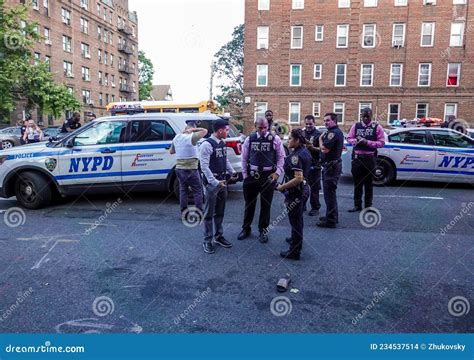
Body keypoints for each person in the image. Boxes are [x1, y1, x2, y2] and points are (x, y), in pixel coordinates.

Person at [238, 117, 285, 243]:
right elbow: (244, 158)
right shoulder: (250, 139)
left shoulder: (275, 139)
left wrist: (277, 173)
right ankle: (246, 228)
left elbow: (281, 157)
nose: (263, 130)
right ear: (255, 126)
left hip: (268, 175)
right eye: (260, 127)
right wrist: (245, 175)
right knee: (249, 204)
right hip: (252, 175)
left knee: (266, 205)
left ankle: (263, 230)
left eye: (265, 127)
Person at [199, 119, 238, 254]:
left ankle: (219, 236)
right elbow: (203, 166)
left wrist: (232, 171)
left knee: (220, 211)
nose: (228, 132)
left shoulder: (221, 143)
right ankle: (207, 240)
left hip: (222, 181)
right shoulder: (206, 145)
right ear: (220, 130)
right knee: (209, 213)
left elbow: (224, 159)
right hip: (213, 183)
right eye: (227, 130)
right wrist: (215, 182)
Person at [277, 129, 312, 260]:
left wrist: (282, 187)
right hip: (304, 189)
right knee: (298, 220)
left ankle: (294, 251)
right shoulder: (304, 150)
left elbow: (298, 178)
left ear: (297, 140)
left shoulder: (296, 156)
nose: (288, 141)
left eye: (290, 138)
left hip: (296, 192)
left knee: (296, 221)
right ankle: (294, 238)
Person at [346, 108, 385, 212]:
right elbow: (349, 138)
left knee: (368, 184)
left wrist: (367, 142)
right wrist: (356, 141)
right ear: (361, 116)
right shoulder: (356, 126)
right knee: (357, 184)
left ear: (371, 116)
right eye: (364, 116)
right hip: (357, 158)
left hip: (370, 158)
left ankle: (368, 206)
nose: (366, 118)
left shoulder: (377, 127)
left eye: (368, 116)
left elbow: (381, 143)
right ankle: (357, 205)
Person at [170, 121, 208, 215]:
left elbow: (171, 151)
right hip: (191, 168)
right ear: (192, 129)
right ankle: (199, 211)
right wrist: (194, 130)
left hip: (179, 168)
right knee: (197, 190)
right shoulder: (192, 137)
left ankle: (183, 212)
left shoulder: (177, 137)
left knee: (183, 190)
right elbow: (205, 131)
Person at [317, 113, 344, 229]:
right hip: (331, 166)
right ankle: (332, 216)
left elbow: (325, 149)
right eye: (324, 120)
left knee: (329, 195)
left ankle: (331, 220)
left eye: (328, 120)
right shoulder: (333, 132)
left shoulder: (333, 133)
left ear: (334, 121)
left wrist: (319, 139)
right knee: (330, 194)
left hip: (331, 167)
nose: (325, 122)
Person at [302, 115, 322, 216]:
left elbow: (322, 150)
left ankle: (315, 208)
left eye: (310, 124)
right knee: (302, 186)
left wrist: (312, 147)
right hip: (303, 165)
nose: (308, 126)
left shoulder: (319, 134)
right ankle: (302, 205)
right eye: (306, 124)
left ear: (314, 123)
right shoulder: (302, 133)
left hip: (315, 165)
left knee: (314, 188)